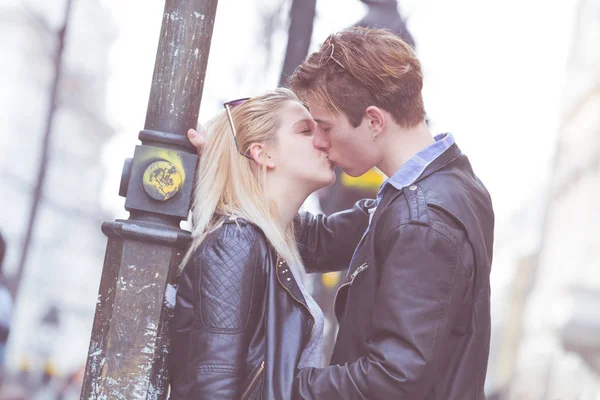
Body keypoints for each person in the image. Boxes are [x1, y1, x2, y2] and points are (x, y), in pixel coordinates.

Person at [189, 26, 494, 399]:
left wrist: (278, 387)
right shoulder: (433, 191)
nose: (320, 140)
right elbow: (314, 239)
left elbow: (393, 378)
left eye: (325, 126)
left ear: (374, 121)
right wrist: (224, 170)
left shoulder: (422, 216)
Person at [169, 88, 373, 399]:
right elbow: (213, 387)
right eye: (306, 130)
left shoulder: (272, 236)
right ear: (263, 153)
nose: (323, 140)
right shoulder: (235, 242)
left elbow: (352, 232)